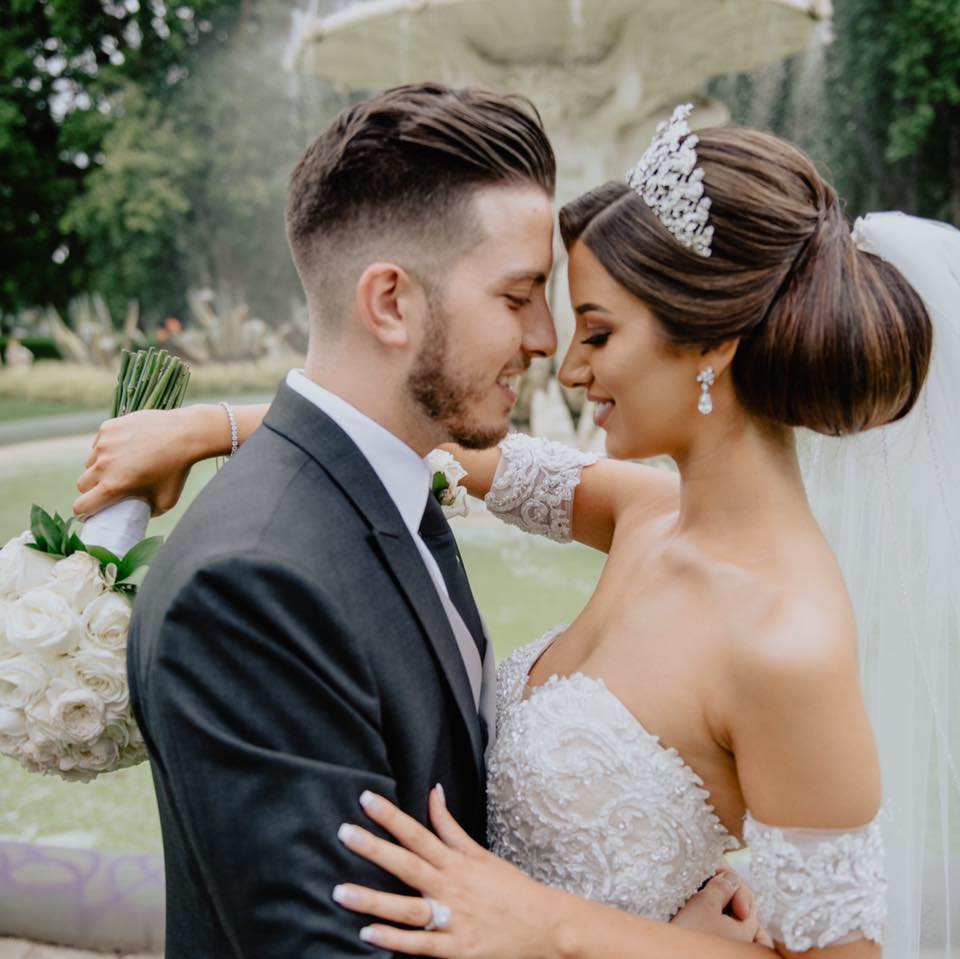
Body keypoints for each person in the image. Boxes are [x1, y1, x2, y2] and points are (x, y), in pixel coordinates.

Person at [110, 87, 760, 959]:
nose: (548, 346)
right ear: (390, 303)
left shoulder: (397, 477)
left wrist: (212, 426)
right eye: (520, 295)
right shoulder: (250, 587)